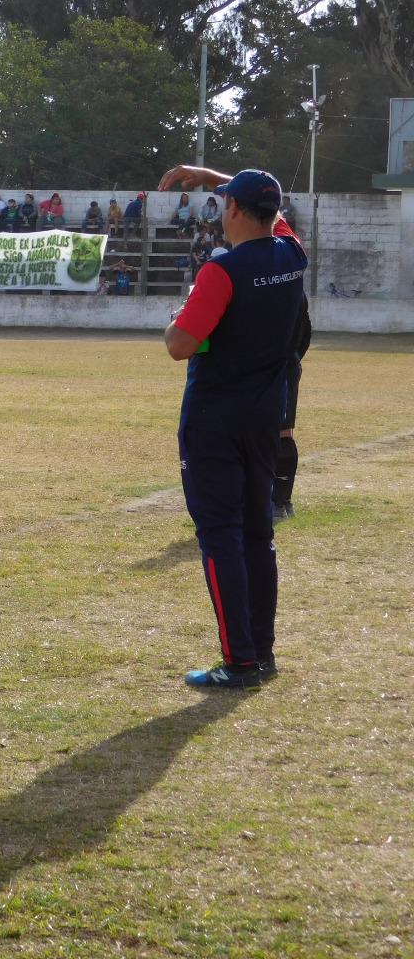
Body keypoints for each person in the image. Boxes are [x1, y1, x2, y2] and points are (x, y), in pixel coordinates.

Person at [160, 164, 307, 689]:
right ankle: (260, 652)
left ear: (237, 211)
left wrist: (177, 320)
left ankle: (240, 660)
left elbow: (179, 346)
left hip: (214, 422)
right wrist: (213, 175)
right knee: (256, 536)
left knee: (220, 536)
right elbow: (276, 210)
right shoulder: (290, 255)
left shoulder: (221, 272)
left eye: (226, 201)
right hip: (264, 417)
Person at [273, 298, 312, 522]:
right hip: (282, 366)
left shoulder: (282, 284)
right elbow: (307, 330)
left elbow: (304, 329)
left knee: (282, 432)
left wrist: (291, 358)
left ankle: (280, 501)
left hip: (281, 367)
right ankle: (277, 500)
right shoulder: (290, 282)